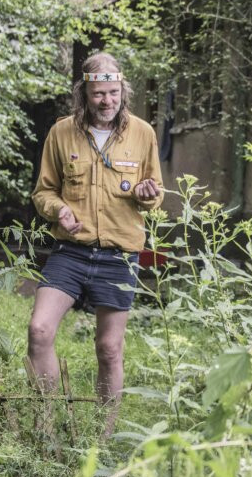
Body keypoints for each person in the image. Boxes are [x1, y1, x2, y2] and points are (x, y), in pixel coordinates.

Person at [29, 52, 163, 437]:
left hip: (120, 254)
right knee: (39, 330)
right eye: (98, 94)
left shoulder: (143, 134)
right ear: (83, 94)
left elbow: (154, 194)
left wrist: (147, 191)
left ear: (123, 90)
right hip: (71, 250)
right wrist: (59, 211)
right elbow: (43, 192)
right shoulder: (61, 132)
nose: (107, 101)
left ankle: (102, 439)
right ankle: (47, 424)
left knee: (108, 349)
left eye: (114, 92)